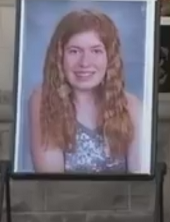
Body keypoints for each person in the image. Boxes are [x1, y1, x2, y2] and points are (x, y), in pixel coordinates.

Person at [28, 9, 143, 174]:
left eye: (96, 51)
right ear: (59, 56)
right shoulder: (43, 99)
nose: (85, 63)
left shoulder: (131, 106)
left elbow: (140, 181)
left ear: (110, 57)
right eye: (74, 51)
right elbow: (51, 180)